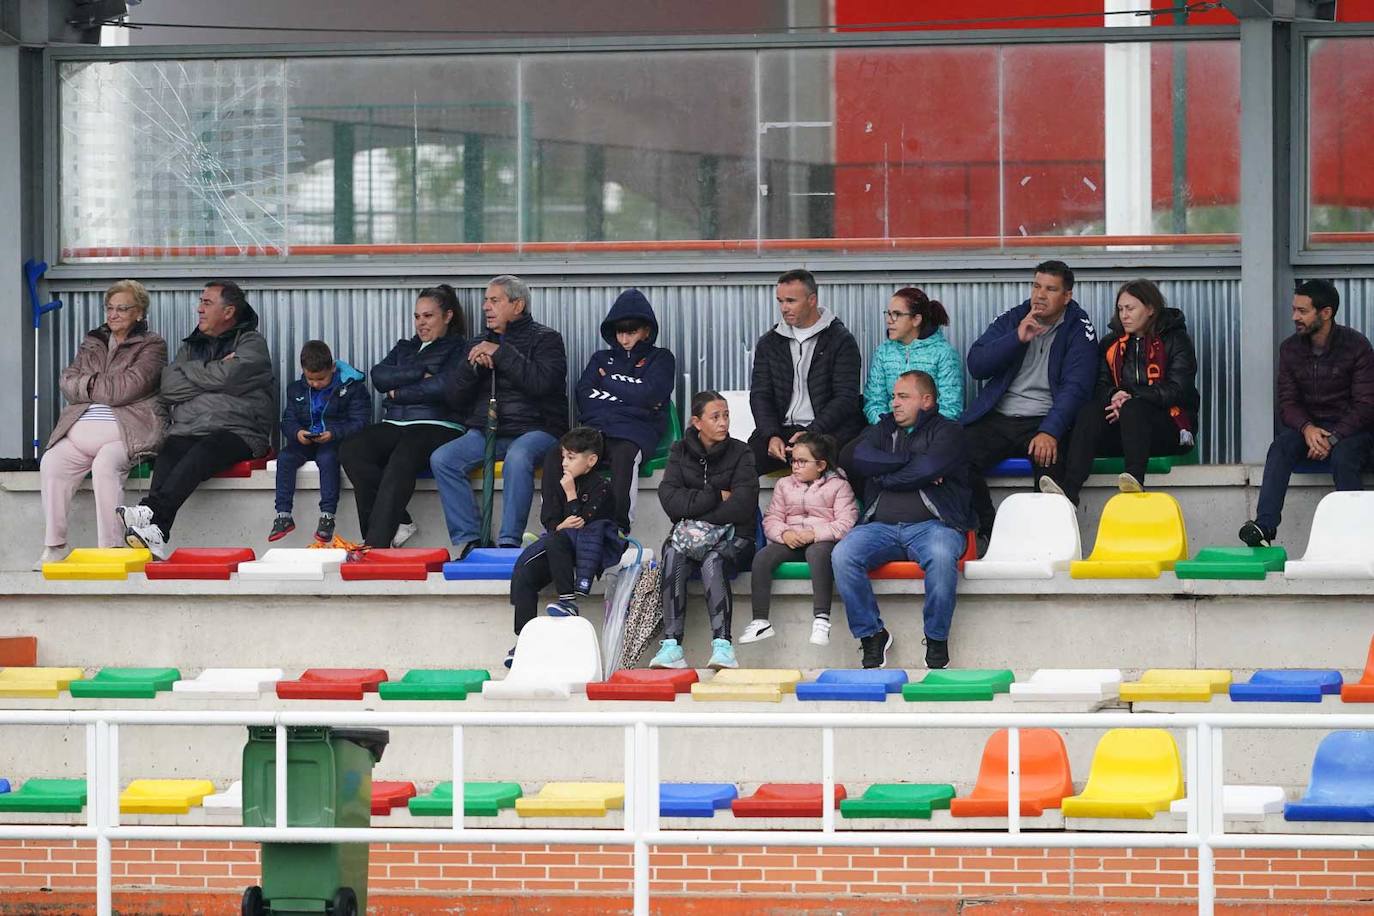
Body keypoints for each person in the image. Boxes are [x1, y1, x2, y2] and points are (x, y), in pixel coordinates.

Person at [118, 280, 274, 559]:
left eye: (207, 303)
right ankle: (156, 533)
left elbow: (232, 376)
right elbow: (169, 386)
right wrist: (216, 373)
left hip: (241, 432)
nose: (198, 308)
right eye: (201, 302)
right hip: (192, 428)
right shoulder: (191, 347)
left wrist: (193, 375)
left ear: (228, 312)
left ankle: (152, 511)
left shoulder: (252, 342)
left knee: (204, 450)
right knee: (171, 448)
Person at [831, 371, 975, 670]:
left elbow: (930, 465)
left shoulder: (948, 431)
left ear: (926, 400)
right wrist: (909, 462)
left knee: (940, 554)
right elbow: (851, 457)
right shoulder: (882, 429)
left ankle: (936, 639)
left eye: (903, 397)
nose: (894, 403)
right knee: (843, 554)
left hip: (935, 527)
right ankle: (872, 635)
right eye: (894, 396)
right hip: (879, 528)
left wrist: (883, 474)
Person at [961, 260, 1098, 547]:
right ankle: (988, 528)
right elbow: (977, 364)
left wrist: (1050, 430)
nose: (1040, 295)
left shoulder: (1078, 328)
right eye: (1036, 286)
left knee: (1051, 471)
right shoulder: (1015, 318)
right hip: (999, 417)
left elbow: (1077, 387)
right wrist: (1016, 338)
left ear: (1067, 296)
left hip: (1043, 420)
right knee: (954, 454)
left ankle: (1046, 547)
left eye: (1050, 289)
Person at [433, 275, 568, 556]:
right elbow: (453, 397)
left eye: (494, 300)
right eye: (485, 300)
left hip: (537, 430)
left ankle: (509, 543)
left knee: (518, 458)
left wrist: (502, 354)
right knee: (443, 459)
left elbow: (543, 383)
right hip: (487, 431)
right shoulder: (478, 342)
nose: (486, 307)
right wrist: (472, 369)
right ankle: (472, 541)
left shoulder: (547, 339)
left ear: (517, 305)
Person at [39, 280, 167, 566]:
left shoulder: (152, 345)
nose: (114, 314)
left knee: (105, 464)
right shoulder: (93, 341)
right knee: (52, 462)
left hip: (128, 432)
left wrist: (87, 384)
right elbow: (67, 380)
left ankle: (110, 548)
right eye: (110, 308)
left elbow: (128, 387)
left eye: (123, 308)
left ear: (139, 313)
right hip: (80, 431)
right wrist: (97, 385)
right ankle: (55, 545)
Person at [1239, 279, 1374, 547]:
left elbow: (1366, 405)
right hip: (1310, 428)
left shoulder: (1357, 346)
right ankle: (1264, 527)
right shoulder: (1290, 349)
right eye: (1294, 309)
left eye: (1302, 311)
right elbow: (1287, 403)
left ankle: (1356, 537)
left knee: (1344, 456)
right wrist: (1307, 429)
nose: (1294, 317)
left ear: (1326, 313)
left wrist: (1332, 438)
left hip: (1353, 431)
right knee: (1280, 447)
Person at [1043, 279, 1199, 504]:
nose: (1124, 315)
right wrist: (1114, 396)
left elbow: (1178, 390)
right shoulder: (1111, 344)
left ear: (1150, 309)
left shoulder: (1175, 340)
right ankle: (1070, 490)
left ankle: (1134, 478)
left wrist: (1131, 397)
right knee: (1089, 412)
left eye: (1130, 308)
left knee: (1134, 409)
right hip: (1124, 429)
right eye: (1120, 309)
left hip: (1168, 429)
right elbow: (1099, 387)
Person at [339, 285, 467, 549]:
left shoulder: (460, 348)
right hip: (395, 421)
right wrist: (420, 371)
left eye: (428, 316)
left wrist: (399, 391)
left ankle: (375, 544)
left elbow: (445, 387)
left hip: (439, 423)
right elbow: (379, 376)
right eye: (417, 316)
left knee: (403, 456)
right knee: (352, 448)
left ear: (448, 316)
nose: (421, 322)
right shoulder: (405, 348)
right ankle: (401, 520)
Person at [650, 390, 759, 671]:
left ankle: (723, 646)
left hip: (737, 535)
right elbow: (671, 502)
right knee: (673, 553)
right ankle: (672, 646)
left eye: (726, 416)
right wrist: (712, 495)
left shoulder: (742, 452)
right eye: (715, 417)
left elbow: (742, 505)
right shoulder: (679, 450)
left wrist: (695, 510)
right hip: (690, 536)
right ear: (697, 423)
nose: (723, 422)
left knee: (714, 559)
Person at [552, 288, 676, 531]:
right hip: (597, 430)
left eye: (632, 332)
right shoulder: (600, 358)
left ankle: (618, 529)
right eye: (620, 332)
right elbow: (584, 395)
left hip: (637, 432)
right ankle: (556, 524)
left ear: (647, 330)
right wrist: (631, 398)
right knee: (556, 455)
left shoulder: (661, 358)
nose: (625, 339)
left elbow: (651, 394)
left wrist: (607, 383)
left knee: (624, 455)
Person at [507, 427, 624, 669]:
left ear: (591, 460)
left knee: (557, 539)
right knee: (526, 572)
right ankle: (523, 639)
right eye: (563, 456)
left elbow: (583, 527)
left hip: (590, 548)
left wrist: (571, 495)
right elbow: (550, 519)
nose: (564, 463)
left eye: (571, 457)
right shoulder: (558, 480)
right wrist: (561, 524)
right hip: (559, 547)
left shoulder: (602, 487)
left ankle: (568, 601)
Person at [742, 431, 857, 648]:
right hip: (792, 539)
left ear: (821, 465)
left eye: (803, 462)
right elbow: (772, 518)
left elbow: (846, 523)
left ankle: (821, 619)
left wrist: (814, 534)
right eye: (793, 461)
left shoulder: (839, 485)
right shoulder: (784, 485)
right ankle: (760, 620)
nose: (795, 466)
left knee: (817, 553)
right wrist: (785, 534)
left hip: (823, 540)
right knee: (763, 557)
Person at [748, 269, 864, 476]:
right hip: (782, 431)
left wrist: (812, 432)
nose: (784, 308)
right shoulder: (769, 342)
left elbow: (846, 398)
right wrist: (771, 435)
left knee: (845, 462)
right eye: (780, 301)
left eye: (791, 301)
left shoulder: (841, 340)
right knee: (741, 466)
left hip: (826, 431)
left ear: (812, 300)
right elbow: (760, 395)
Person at [270, 340, 372, 544]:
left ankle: (327, 515)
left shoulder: (351, 388)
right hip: (307, 440)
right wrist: (298, 433)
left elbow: (360, 421)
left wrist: (333, 433)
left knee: (327, 459)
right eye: (310, 379)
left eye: (321, 379)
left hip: (335, 440)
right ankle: (283, 515)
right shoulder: (296, 389)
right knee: (286, 457)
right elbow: (288, 420)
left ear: (333, 368)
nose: (315, 383)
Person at [863, 287, 964, 423]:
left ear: (916, 319)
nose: (889, 320)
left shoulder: (944, 354)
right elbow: (874, 402)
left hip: (930, 434)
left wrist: (918, 432)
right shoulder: (883, 352)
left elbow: (951, 408)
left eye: (897, 314)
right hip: (888, 431)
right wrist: (888, 428)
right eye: (888, 313)